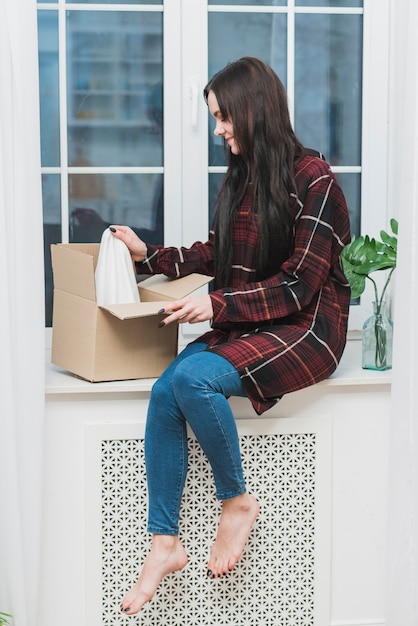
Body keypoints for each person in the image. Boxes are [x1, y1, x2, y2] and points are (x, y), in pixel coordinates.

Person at [111, 56, 351, 615]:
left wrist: (215, 304)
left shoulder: (315, 181)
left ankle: (238, 502)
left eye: (223, 117)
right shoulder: (242, 177)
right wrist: (152, 256)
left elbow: (297, 287)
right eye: (215, 118)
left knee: (193, 377)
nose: (218, 129)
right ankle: (164, 542)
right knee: (164, 391)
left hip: (308, 327)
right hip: (254, 319)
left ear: (253, 110)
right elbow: (218, 255)